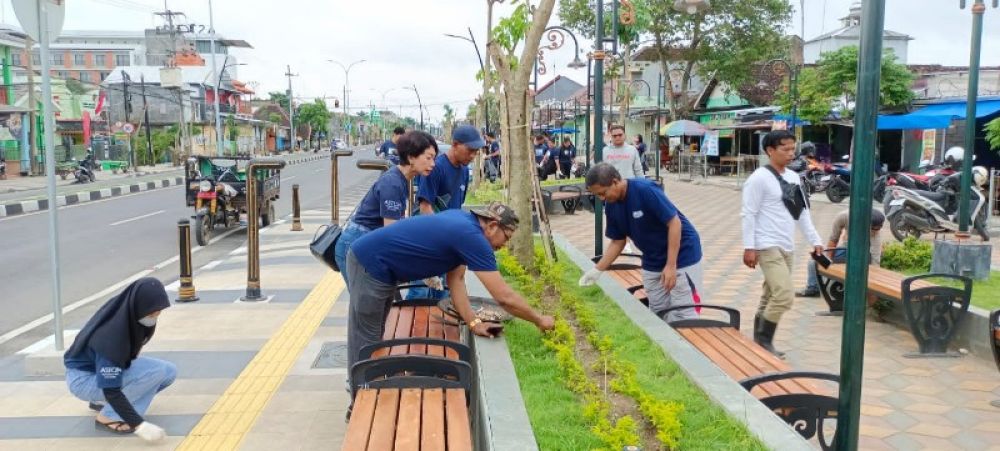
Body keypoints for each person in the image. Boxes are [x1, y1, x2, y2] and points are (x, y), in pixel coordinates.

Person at [345, 202, 556, 374]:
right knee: (367, 339)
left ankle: (373, 388)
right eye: (506, 238)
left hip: (380, 266)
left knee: (374, 333)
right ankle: (361, 400)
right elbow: (504, 297)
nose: (505, 245)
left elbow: (457, 281)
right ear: (492, 226)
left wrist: (473, 323)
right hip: (370, 264)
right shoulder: (473, 238)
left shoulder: (465, 223)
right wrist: (539, 319)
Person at [580, 163, 703, 322]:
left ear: (616, 181)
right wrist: (597, 270)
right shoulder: (611, 206)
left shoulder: (645, 190)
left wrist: (671, 265)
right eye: (598, 195)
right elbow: (618, 241)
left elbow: (675, 223)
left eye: (603, 193)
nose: (602, 198)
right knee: (657, 312)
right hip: (652, 258)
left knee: (683, 316)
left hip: (682, 255)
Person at [741, 130, 823, 358]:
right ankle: (765, 340)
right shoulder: (758, 179)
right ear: (770, 151)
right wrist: (749, 247)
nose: (791, 153)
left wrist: (815, 240)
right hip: (766, 245)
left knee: (770, 293)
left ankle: (759, 340)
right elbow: (748, 214)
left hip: (787, 245)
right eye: (785, 149)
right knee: (784, 294)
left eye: (792, 148)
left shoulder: (794, 177)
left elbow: (802, 213)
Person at [63, 278, 174, 441]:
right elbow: (111, 389)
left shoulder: (124, 310)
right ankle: (107, 416)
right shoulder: (112, 338)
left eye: (159, 311)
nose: (155, 317)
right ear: (139, 306)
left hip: (96, 369)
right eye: (151, 313)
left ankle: (103, 403)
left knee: (169, 371)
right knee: (155, 373)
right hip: (84, 380)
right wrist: (139, 425)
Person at [334, 131, 438, 286]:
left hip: (365, 243)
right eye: (428, 158)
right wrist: (420, 269)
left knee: (375, 305)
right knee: (366, 307)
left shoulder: (401, 179)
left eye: (434, 159)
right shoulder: (393, 183)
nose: (433, 164)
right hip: (356, 246)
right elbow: (393, 236)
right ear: (411, 157)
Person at [797, 209, 885, 297]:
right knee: (814, 260)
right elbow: (833, 239)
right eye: (872, 229)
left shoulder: (876, 235)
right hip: (847, 247)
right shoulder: (844, 217)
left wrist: (873, 282)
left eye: (877, 229)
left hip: (865, 252)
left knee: (871, 258)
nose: (875, 232)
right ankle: (813, 288)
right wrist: (828, 261)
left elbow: (875, 258)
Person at [416, 124, 482, 214]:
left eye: (476, 152)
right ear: (455, 144)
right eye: (470, 150)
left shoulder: (465, 170)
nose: (472, 156)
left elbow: (459, 205)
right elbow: (425, 208)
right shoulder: (435, 168)